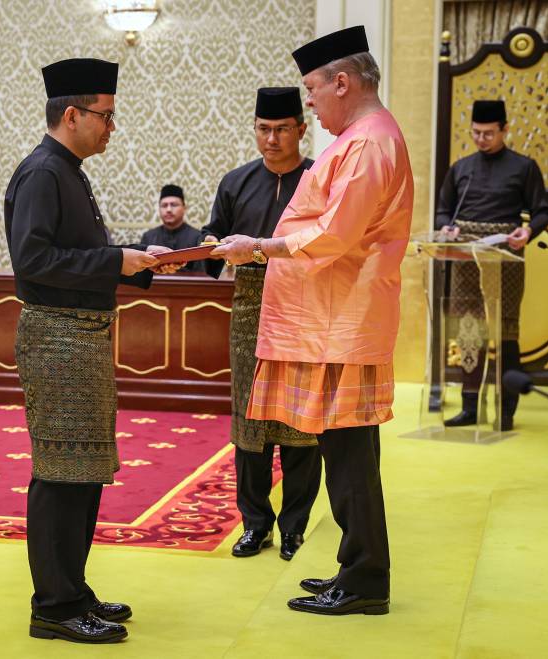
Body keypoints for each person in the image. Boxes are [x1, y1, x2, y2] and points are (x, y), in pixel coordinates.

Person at [213, 25, 413, 616]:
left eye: (312, 91)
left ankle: (365, 579)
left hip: (342, 319)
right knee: (341, 446)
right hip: (333, 316)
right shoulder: (361, 137)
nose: (310, 105)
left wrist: (260, 247)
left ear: (342, 82)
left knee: (349, 451)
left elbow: (335, 234)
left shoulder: (370, 141)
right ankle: (356, 568)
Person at [5, 57, 178, 644]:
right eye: (105, 117)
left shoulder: (69, 169)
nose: (111, 128)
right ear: (72, 114)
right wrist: (115, 262)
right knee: (59, 473)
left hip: (79, 337)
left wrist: (140, 263)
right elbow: (31, 261)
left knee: (83, 472)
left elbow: (74, 254)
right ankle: (52, 605)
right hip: (57, 338)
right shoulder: (43, 173)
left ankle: (73, 589)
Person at [201, 87, 320, 561]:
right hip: (249, 307)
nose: (271, 139)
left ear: (300, 130)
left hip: (305, 308)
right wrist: (209, 244)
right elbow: (215, 235)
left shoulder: (318, 178)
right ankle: (255, 525)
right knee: (249, 422)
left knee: (299, 422)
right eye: (263, 130)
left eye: (281, 130)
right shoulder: (235, 181)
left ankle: (294, 526)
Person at [435, 99, 548, 431]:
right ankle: (471, 406)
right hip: (467, 254)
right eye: (476, 133)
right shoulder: (461, 168)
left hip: (506, 254)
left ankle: (507, 409)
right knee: (470, 330)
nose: (481, 139)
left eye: (488, 133)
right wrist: (447, 227)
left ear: (504, 130)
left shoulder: (524, 167)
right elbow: (444, 210)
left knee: (506, 329)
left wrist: (527, 231)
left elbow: (542, 210)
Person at [140, 184, 203, 271]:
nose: (168, 209)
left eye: (174, 205)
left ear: (184, 208)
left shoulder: (197, 237)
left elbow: (200, 274)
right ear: (159, 209)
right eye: (164, 205)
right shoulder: (148, 237)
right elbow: (141, 271)